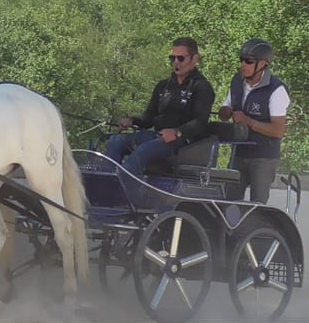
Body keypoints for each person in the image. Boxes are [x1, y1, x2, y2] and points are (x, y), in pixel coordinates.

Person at [105, 37, 215, 176]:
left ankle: (122, 181)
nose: (175, 62)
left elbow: (200, 123)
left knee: (144, 150)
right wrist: (132, 120)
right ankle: (106, 179)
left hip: (184, 142)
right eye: (172, 58)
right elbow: (149, 117)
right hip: (157, 136)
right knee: (116, 140)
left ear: (195, 59)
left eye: (181, 58)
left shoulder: (202, 87)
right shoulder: (164, 86)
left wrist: (176, 132)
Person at [218, 38, 289, 204]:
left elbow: (278, 130)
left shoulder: (276, 89)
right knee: (229, 202)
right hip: (239, 152)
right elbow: (225, 109)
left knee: (256, 205)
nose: (243, 64)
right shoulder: (237, 81)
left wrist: (249, 121)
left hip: (263, 157)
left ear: (263, 64)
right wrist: (225, 112)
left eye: (249, 61)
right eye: (241, 59)